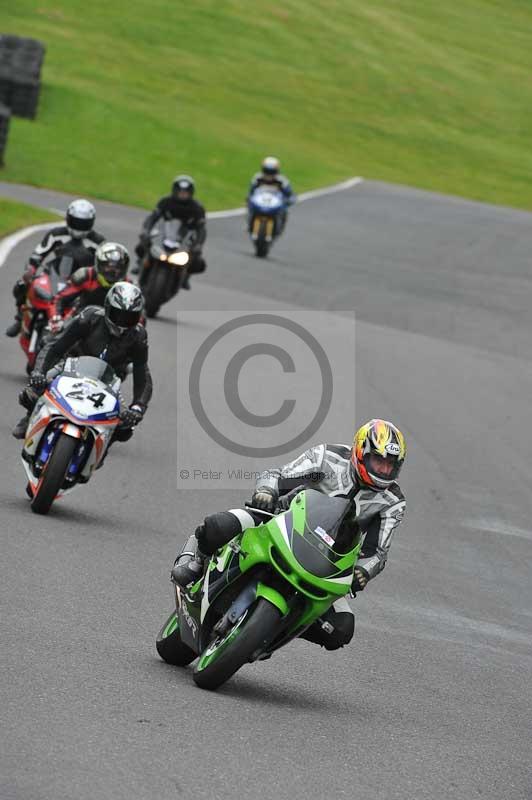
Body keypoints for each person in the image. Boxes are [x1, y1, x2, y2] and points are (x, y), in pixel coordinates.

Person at [171, 419, 406, 651]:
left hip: (328, 562)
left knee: (341, 628)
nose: (384, 470)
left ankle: (275, 628)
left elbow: (377, 551)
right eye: (378, 461)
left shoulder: (392, 501)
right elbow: (278, 474)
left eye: (390, 465)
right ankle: (196, 562)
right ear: (361, 451)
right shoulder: (329, 458)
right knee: (217, 526)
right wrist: (266, 491)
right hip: (280, 522)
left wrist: (364, 570)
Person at [12, 282, 152, 441]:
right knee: (32, 392)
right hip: (70, 366)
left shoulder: (139, 336)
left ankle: (101, 450)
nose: (122, 322)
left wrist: (138, 407)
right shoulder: (89, 317)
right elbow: (55, 346)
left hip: (109, 382)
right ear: (107, 308)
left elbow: (143, 375)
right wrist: (39, 372)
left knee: (126, 429)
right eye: (118, 314)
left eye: (129, 317)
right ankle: (30, 417)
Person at [6, 199, 105, 337]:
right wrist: (31, 269)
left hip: (79, 283)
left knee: (96, 299)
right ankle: (20, 318)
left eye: (83, 223)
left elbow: (103, 265)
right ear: (69, 219)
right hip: (53, 274)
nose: (79, 226)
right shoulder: (56, 234)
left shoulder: (98, 242)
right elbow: (38, 253)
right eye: (76, 221)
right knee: (22, 284)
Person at [133, 175, 207, 288]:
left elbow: (201, 229)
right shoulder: (165, 202)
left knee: (198, 262)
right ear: (175, 191)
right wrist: (146, 231)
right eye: (180, 191)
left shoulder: (197, 208)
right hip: (165, 235)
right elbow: (152, 218)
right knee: (141, 245)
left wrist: (198, 245)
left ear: (190, 193)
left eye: (185, 192)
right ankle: (140, 263)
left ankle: (186, 275)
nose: (183, 194)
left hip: (185, 240)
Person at [50, 242, 131, 331]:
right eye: (108, 267)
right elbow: (60, 298)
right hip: (80, 322)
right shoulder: (86, 275)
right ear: (99, 264)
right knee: (53, 337)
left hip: (112, 329)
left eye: (118, 268)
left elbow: (138, 315)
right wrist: (56, 317)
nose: (113, 271)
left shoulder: (128, 286)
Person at [247, 156, 295, 234]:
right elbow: (251, 192)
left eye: (271, 172)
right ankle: (250, 224)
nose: (269, 174)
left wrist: (289, 200)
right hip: (261, 202)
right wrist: (249, 198)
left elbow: (290, 194)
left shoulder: (282, 180)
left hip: (275, 204)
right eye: (267, 171)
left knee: (285, 211)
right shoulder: (257, 178)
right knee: (250, 206)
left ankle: (280, 226)